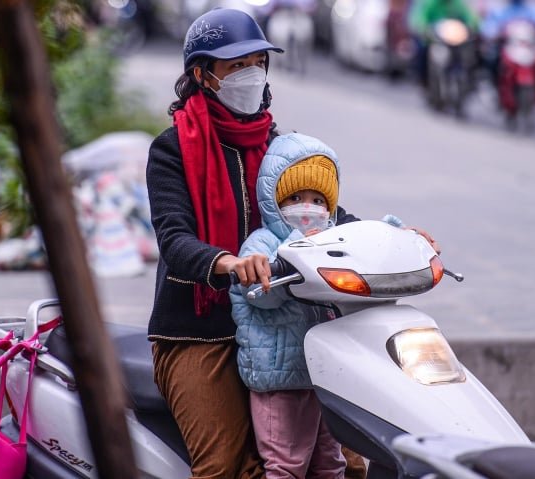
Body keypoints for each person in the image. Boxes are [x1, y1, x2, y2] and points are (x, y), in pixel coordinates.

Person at [145, 7, 370, 478]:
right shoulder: (171, 149)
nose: (251, 74)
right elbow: (174, 239)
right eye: (236, 66)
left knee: (348, 458)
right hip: (200, 327)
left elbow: (323, 212)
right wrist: (229, 262)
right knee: (224, 467)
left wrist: (388, 238)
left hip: (279, 321)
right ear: (203, 75)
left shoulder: (278, 145)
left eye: (258, 62)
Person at [230, 132, 348, 478]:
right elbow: (262, 295)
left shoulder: (334, 239)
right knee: (285, 465)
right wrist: (299, 248)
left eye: (317, 199)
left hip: (323, 375)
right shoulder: (262, 242)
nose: (307, 208)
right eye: (295, 197)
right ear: (274, 200)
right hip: (279, 377)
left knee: (330, 464)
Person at [407, 0, 480, 86]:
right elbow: (420, 19)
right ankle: (423, 78)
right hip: (434, 39)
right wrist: (423, 29)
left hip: (454, 38)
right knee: (421, 51)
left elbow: (471, 17)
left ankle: (471, 79)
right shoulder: (430, 3)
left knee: (471, 53)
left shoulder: (458, 3)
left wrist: (471, 27)